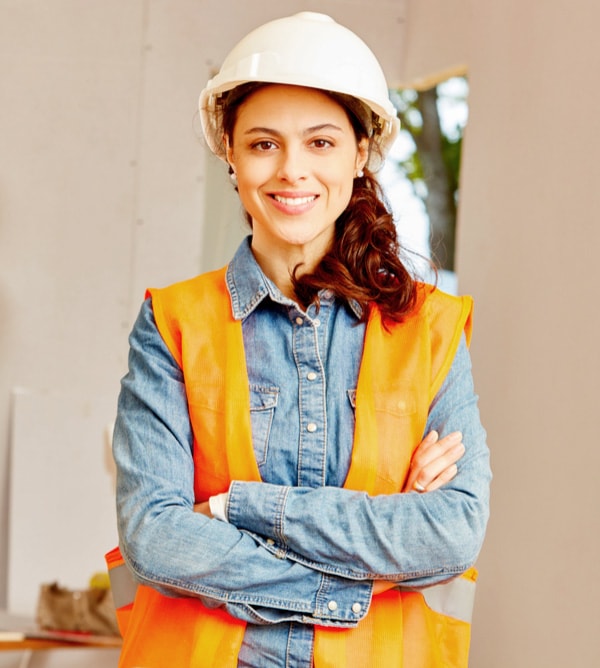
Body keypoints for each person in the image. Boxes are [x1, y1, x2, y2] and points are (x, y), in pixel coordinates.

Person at [107, 11, 491, 668]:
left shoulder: (430, 329)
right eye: (263, 144)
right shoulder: (174, 322)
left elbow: (451, 534)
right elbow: (155, 537)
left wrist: (235, 508)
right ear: (229, 151)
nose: (292, 171)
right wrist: (351, 576)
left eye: (320, 143)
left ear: (359, 152)